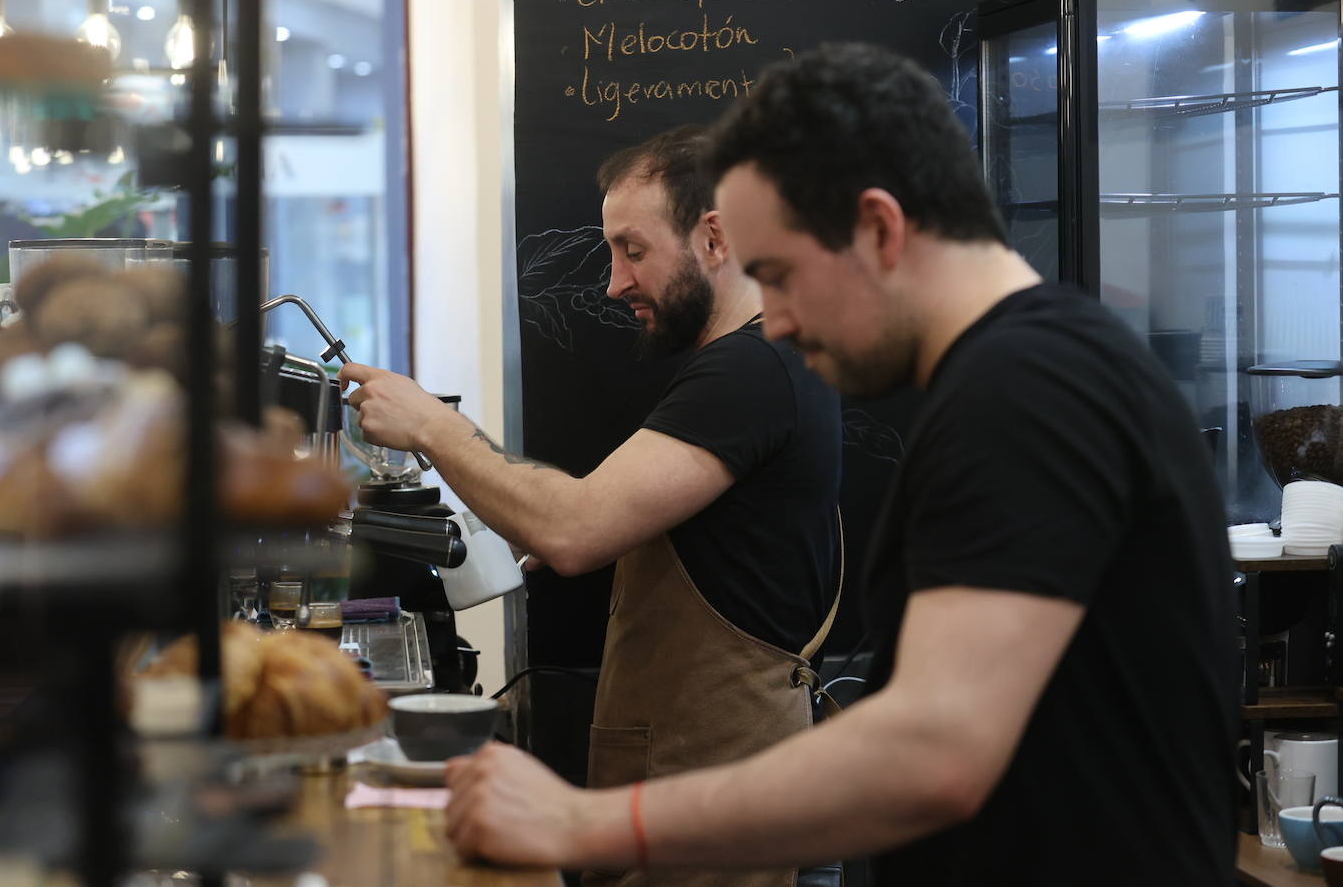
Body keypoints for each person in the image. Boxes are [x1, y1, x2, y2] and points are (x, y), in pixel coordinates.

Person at [441, 44, 1237, 886]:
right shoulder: (1027, 370)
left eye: (780, 276)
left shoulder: (1026, 390)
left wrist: (587, 822)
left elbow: (932, 752)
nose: (777, 323)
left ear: (878, 229)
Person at [341, 125, 843, 886]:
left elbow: (573, 528)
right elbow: (600, 517)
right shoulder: (757, 362)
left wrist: (432, 427)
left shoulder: (750, 371)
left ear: (714, 238)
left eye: (633, 250)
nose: (613, 283)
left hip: (715, 804)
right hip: (685, 793)